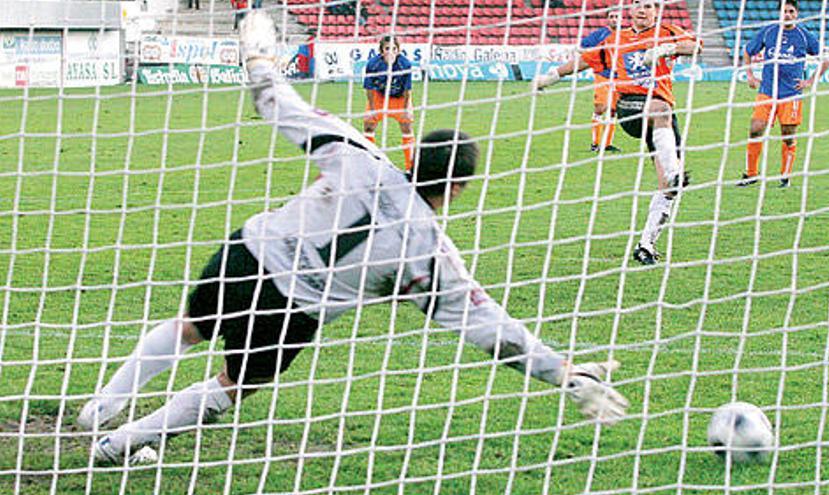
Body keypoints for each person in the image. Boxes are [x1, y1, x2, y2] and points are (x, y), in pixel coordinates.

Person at [79, 11, 629, 466]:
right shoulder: (429, 253)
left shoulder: (361, 155)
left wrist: (259, 55)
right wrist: (561, 372)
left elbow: (278, 104)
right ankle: (118, 444)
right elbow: (489, 328)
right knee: (233, 384)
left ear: (416, 159)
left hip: (249, 255)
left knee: (190, 328)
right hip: (295, 307)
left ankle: (103, 405)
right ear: (458, 188)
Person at [533, 0, 700, 266]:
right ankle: (672, 172)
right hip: (631, 108)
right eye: (637, 5)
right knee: (660, 109)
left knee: (668, 189)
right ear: (630, 11)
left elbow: (695, 46)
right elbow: (583, 61)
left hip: (662, 122)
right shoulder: (615, 39)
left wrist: (666, 48)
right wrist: (548, 78)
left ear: (657, 11)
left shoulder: (668, 31)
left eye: (648, 6)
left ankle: (646, 244)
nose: (642, 10)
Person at [736, 0, 829, 189]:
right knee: (755, 129)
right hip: (767, 91)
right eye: (784, 11)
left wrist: (809, 81)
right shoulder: (769, 31)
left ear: (797, 14)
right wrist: (750, 75)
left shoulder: (804, 36)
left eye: (791, 11)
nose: (787, 14)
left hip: (791, 94)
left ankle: (785, 175)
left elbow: (825, 60)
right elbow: (747, 51)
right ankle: (751, 174)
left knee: (788, 135)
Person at [363, 36, 415, 170]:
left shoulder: (405, 65)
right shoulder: (372, 65)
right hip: (379, 97)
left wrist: (405, 110)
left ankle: (410, 167)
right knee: (368, 125)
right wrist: (373, 109)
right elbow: (369, 89)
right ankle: (370, 164)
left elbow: (407, 90)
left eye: (394, 49)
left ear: (398, 51)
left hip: (399, 98)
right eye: (387, 49)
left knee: (407, 126)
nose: (390, 52)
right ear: (381, 51)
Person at [579, 8, 624, 153]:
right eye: (611, 17)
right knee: (600, 107)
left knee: (613, 110)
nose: (614, 19)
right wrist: (595, 58)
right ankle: (595, 143)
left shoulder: (626, 35)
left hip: (619, 77)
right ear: (607, 19)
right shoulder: (599, 34)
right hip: (602, 75)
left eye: (617, 17)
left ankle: (607, 144)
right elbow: (581, 47)